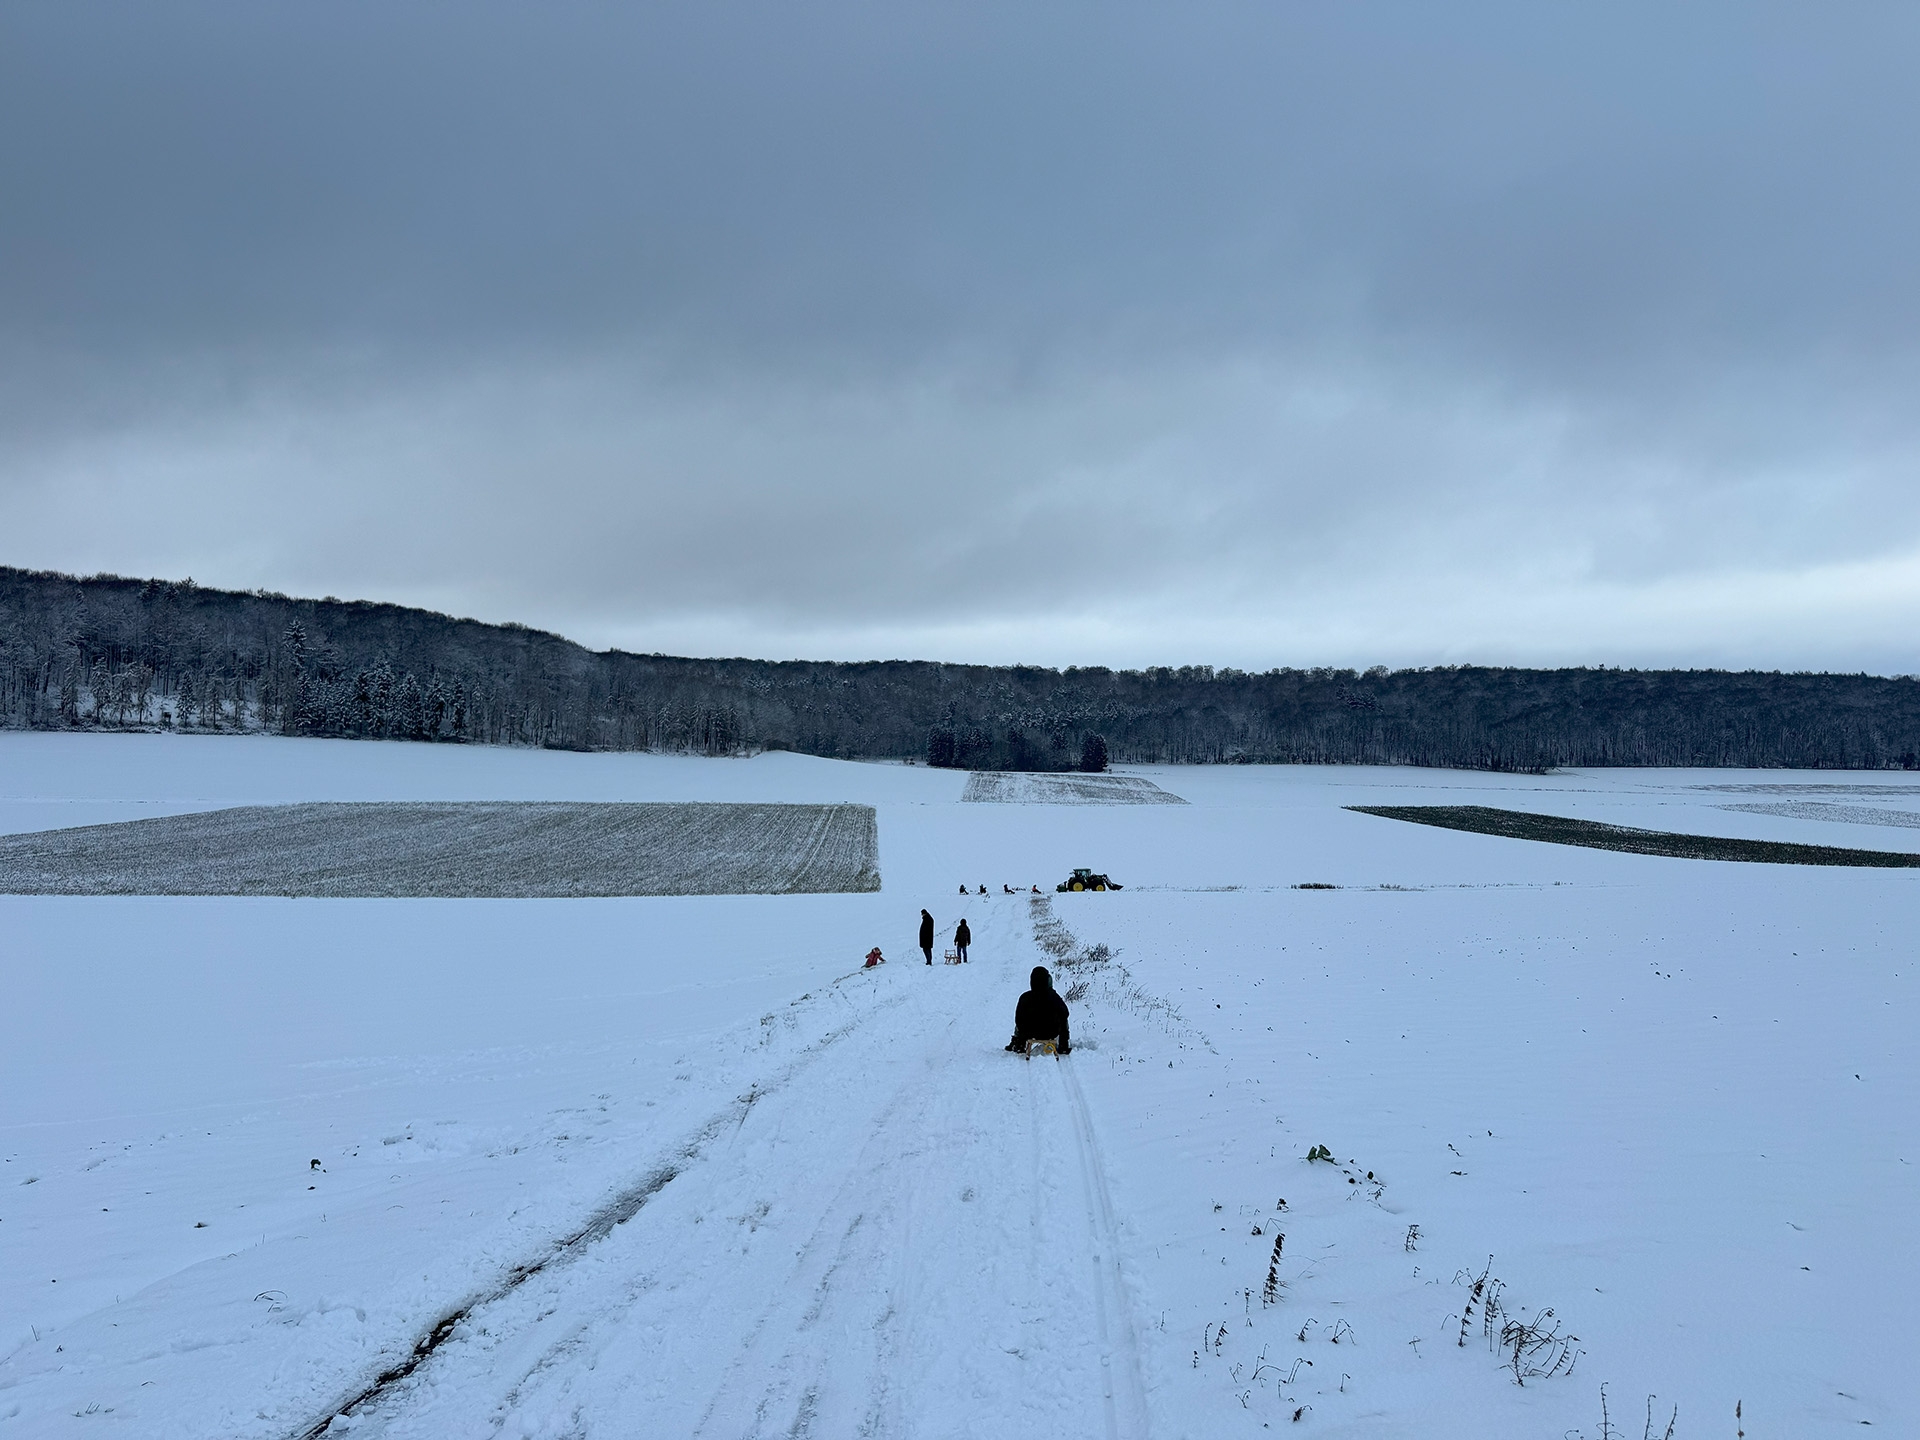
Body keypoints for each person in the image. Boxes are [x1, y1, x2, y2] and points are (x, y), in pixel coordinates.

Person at [1005, 965, 1071, 1054]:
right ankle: (1064, 1045)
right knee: (1063, 1018)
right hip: (1051, 1032)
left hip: (1029, 1033)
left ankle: (1019, 1043)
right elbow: (1065, 1013)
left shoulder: (1025, 997)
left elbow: (1018, 1020)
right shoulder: (1054, 997)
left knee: (1021, 1018)